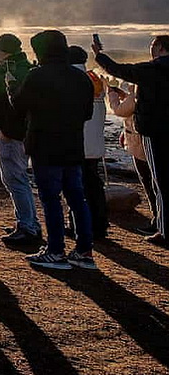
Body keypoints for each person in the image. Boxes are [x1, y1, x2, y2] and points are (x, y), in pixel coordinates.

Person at [9, 30, 96, 270]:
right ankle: (84, 251)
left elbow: (18, 106)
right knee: (77, 198)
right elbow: (87, 113)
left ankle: (56, 251)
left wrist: (12, 87)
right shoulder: (81, 78)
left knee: (51, 200)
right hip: (73, 145)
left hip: (44, 146)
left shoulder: (37, 76)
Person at [94, 34, 169, 245]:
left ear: (161, 47)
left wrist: (99, 55)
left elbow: (119, 70)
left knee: (161, 181)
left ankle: (164, 232)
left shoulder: (152, 69)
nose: (151, 50)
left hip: (155, 132)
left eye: (153, 46)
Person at [0, 34, 41, 246]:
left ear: (3, 51)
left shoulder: (9, 70)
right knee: (19, 179)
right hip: (24, 133)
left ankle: (27, 226)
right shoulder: (26, 67)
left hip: (12, 133)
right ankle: (29, 223)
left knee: (15, 180)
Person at [107, 83, 159, 235]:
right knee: (154, 183)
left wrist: (112, 95)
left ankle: (157, 220)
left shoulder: (139, 90)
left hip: (139, 144)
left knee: (149, 183)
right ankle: (158, 219)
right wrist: (125, 95)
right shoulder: (153, 89)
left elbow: (120, 110)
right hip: (147, 142)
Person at [69, 45, 109, 241]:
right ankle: (100, 225)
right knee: (94, 185)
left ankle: (81, 225)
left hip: (79, 141)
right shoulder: (95, 79)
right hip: (95, 141)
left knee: (78, 188)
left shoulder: (72, 81)